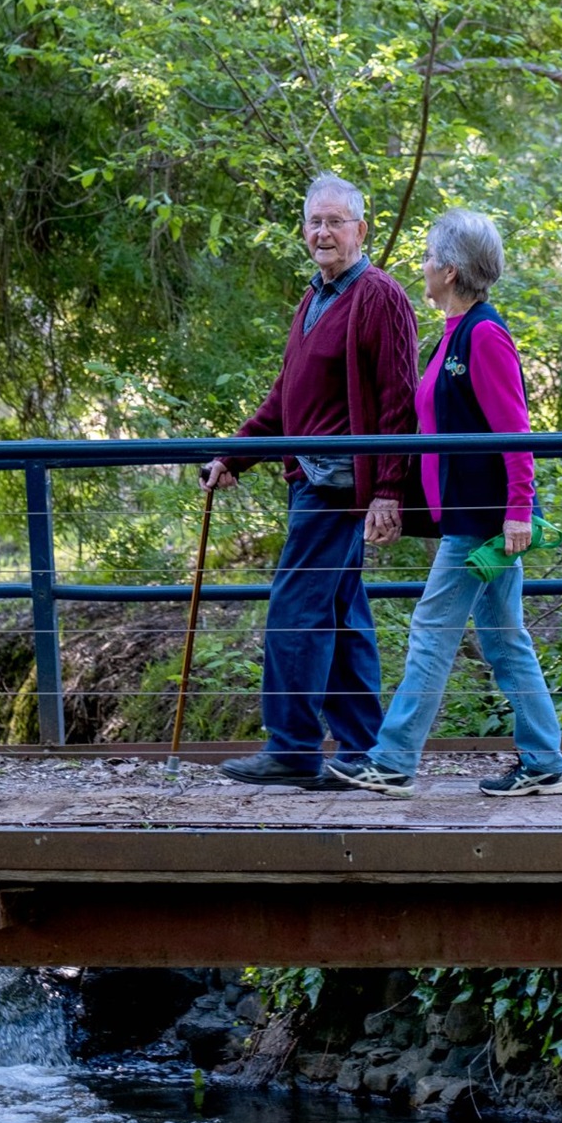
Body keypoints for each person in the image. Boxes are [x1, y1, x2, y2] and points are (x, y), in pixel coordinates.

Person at [329, 208, 562, 799]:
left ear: (453, 270)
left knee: (431, 632)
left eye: (430, 257)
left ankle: (391, 762)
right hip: (468, 517)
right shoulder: (455, 335)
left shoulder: (484, 334)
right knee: (505, 640)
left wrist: (521, 508)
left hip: (481, 521)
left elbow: (515, 429)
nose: (423, 266)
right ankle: (545, 763)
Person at [200, 173, 418, 790]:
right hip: (310, 477)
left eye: (335, 222)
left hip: (340, 485)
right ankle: (361, 747)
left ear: (360, 229)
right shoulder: (316, 297)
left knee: (296, 609)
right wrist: (234, 455)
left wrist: (388, 491)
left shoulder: (378, 296)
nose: (322, 233)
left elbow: (400, 401)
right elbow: (284, 401)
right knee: (342, 615)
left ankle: (293, 748)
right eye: (314, 222)